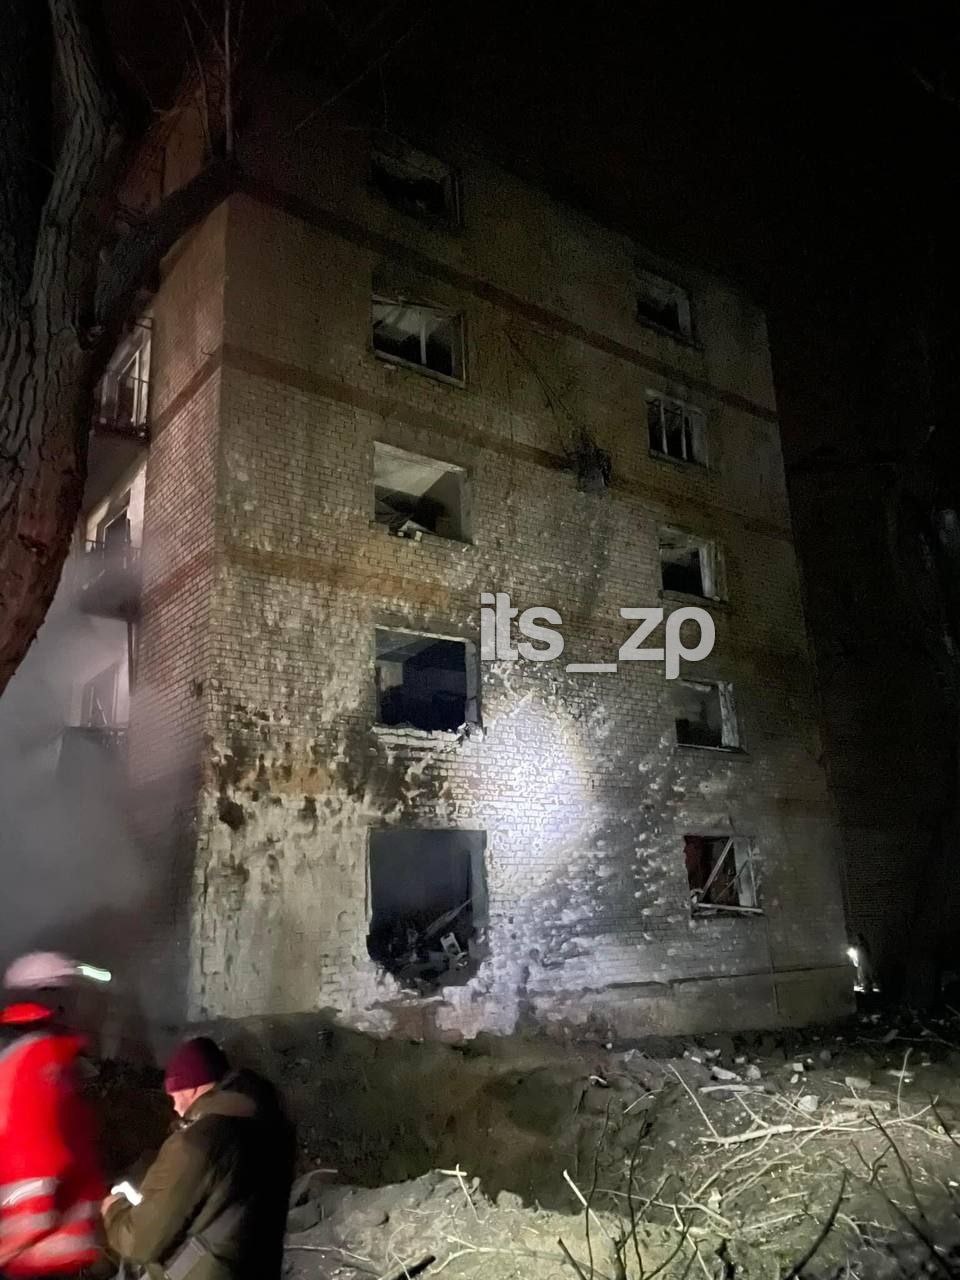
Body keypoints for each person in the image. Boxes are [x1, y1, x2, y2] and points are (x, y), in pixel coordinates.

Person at [102, 1037, 295, 1280]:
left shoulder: (196, 1143)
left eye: (174, 1096)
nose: (174, 1107)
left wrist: (114, 1209)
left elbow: (140, 1241)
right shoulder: (270, 1124)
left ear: (191, 1088)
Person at [0, 952, 107, 1276]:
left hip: (41, 1254)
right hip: (52, 1251)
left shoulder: (34, 1058)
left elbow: (39, 1162)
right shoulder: (47, 1059)